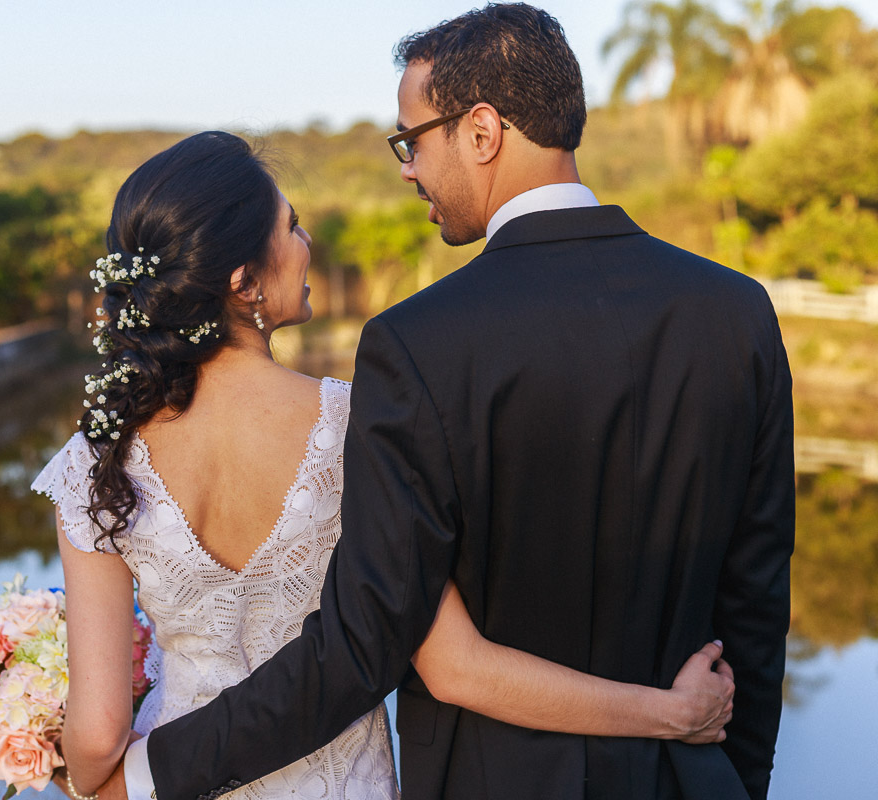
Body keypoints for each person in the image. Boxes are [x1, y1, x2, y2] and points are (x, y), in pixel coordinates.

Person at [107, 4, 794, 800]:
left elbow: (367, 642)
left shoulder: (418, 344)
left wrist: (148, 775)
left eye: (411, 140)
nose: (406, 168)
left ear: (481, 132)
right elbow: (756, 597)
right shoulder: (737, 311)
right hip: (694, 777)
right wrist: (736, 781)